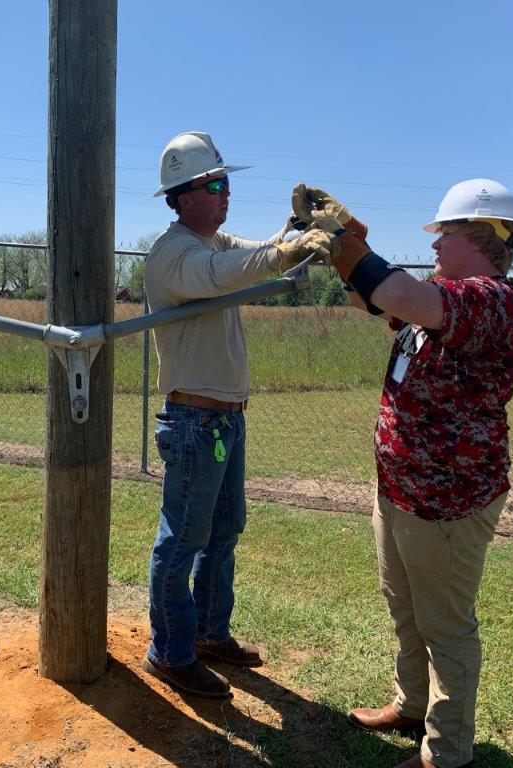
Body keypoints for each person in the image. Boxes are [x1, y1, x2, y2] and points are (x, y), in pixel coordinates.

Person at [295, 179, 513, 768]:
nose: (433, 245)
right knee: (405, 607)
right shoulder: (439, 296)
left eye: (443, 234)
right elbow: (378, 299)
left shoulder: (494, 301)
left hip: (448, 501)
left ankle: (446, 752)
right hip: (402, 487)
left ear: (480, 237)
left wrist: (350, 245)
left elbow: (398, 291)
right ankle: (411, 705)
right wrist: (345, 246)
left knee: (446, 627)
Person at [141, 132, 333, 700]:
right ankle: (170, 652)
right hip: (195, 420)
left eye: (227, 182)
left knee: (222, 533)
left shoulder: (215, 240)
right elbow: (225, 274)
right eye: (217, 183)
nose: (227, 192)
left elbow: (252, 253)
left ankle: (206, 634)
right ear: (184, 194)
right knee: (182, 540)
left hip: (223, 419)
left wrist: (294, 229)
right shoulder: (173, 255)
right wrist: (286, 252)